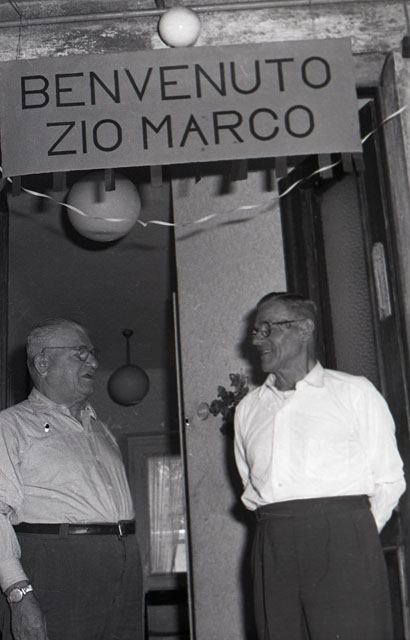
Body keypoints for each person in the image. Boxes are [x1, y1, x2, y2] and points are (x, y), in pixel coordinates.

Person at [234, 292, 406, 640]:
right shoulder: (247, 410)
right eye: (255, 331)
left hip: (344, 539)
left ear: (304, 329)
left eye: (267, 329)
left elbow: (389, 479)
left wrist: (352, 535)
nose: (256, 340)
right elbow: (250, 483)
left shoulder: (354, 392)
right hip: (272, 541)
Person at [0, 318, 143, 640]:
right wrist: (18, 593)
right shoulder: (10, 426)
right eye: (80, 353)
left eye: (93, 353)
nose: (94, 362)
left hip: (124, 566)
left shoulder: (101, 430)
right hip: (58, 569)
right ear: (43, 363)